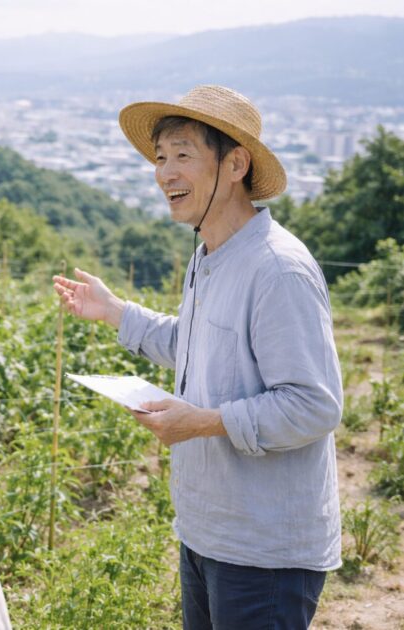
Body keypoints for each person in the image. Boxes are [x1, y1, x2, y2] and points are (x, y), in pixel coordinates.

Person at [54, 85, 342, 629]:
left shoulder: (278, 269)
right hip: (207, 533)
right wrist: (115, 312)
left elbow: (314, 406)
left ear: (235, 164)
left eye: (183, 155)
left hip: (264, 553)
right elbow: (195, 344)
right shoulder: (209, 256)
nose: (165, 173)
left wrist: (204, 422)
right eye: (160, 157)